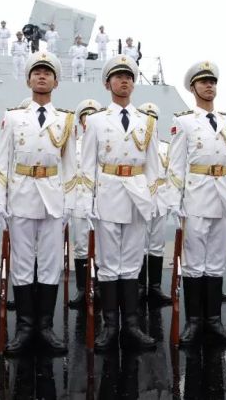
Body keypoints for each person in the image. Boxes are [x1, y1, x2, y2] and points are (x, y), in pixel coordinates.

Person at [0, 51, 77, 355]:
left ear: (56, 82)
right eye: (37, 72)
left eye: (47, 73)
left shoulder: (66, 119)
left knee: (51, 265)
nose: (42, 76)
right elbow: (3, 161)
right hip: (21, 194)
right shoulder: (14, 117)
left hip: (53, 196)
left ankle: (45, 327)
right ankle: (25, 327)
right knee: (23, 263)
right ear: (28, 80)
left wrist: (70, 202)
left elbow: (70, 164)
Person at [80, 54, 158, 351]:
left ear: (133, 84)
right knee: (109, 264)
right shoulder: (96, 121)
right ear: (107, 83)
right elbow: (87, 165)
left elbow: (153, 166)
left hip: (137, 195)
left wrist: (153, 199)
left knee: (132, 264)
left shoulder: (147, 121)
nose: (124, 81)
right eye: (118, 77)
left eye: (128, 77)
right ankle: (111, 326)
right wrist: (87, 202)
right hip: (108, 194)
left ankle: (133, 326)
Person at [167, 61, 226, 347]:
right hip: (196, 196)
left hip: (222, 195)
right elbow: (176, 165)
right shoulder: (184, 122)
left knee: (217, 261)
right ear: (193, 88)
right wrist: (176, 200)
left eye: (212, 82)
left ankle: (214, 321)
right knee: (195, 262)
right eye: (203, 82)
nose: (209, 86)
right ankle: (194, 322)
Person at [67, 98, 103, 310]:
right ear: (81, 122)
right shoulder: (74, 144)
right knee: (81, 247)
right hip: (80, 201)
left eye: (92, 117)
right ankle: (83, 289)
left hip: (103, 200)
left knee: (102, 247)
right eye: (85, 117)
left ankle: (99, 288)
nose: (88, 120)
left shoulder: (106, 142)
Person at [136, 102, 172, 308]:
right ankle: (140, 286)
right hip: (143, 199)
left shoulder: (166, 146)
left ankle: (155, 287)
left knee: (157, 245)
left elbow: (172, 174)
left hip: (161, 199)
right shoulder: (137, 144)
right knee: (140, 244)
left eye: (154, 118)